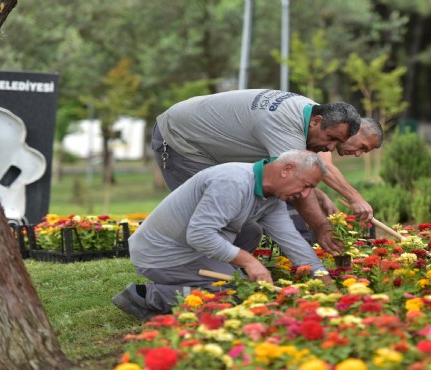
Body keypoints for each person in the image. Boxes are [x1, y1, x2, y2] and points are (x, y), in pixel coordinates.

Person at [112, 150, 331, 321]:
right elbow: (200, 235)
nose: (305, 195)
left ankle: (216, 276)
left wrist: (321, 277)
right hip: (163, 254)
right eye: (306, 185)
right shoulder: (233, 182)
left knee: (252, 231)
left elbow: (291, 240)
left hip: (190, 246)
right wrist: (248, 261)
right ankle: (145, 297)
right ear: (287, 169)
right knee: (235, 292)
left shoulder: (272, 197)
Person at [152, 89, 375, 255]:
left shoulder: (312, 111)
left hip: (205, 143)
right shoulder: (285, 124)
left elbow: (298, 176)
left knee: (240, 221)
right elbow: (292, 182)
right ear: (317, 122)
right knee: (221, 219)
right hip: (180, 141)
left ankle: (225, 275)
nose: (330, 148)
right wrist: (321, 227)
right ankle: (189, 279)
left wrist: (321, 195)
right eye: (331, 139)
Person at [289, 117, 384, 242]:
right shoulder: (323, 131)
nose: (358, 154)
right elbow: (322, 165)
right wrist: (356, 199)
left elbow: (298, 173)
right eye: (362, 146)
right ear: (357, 129)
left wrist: (321, 196)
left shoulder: (325, 142)